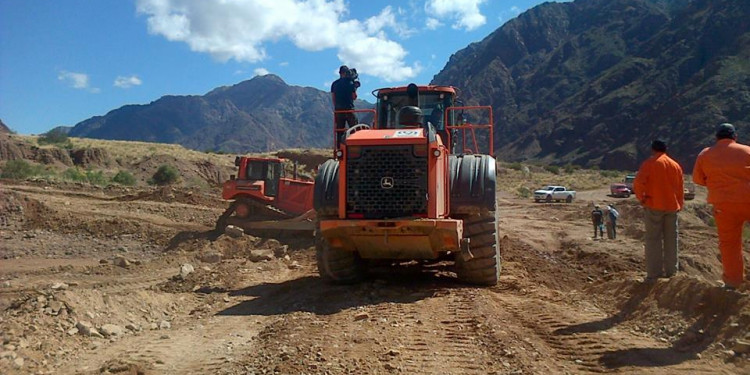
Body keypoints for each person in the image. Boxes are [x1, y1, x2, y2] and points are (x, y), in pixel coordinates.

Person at [692, 123, 750, 290]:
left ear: (716, 138)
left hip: (723, 204)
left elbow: (697, 179)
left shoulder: (705, 154)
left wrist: (714, 182)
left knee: (729, 243)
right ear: (735, 137)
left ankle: (733, 282)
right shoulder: (747, 151)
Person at [633, 139, 684, 281]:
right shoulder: (675, 165)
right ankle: (672, 272)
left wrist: (642, 199)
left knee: (653, 239)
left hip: (654, 205)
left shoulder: (650, 164)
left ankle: (653, 274)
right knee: (671, 239)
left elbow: (638, 183)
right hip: (672, 207)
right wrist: (679, 204)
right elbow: (680, 188)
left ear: (653, 150)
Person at [330, 65, 358, 146]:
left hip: (339, 111)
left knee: (339, 131)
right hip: (349, 109)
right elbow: (354, 96)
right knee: (354, 129)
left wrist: (337, 108)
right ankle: (354, 146)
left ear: (340, 73)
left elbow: (333, 98)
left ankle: (339, 148)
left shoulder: (334, 84)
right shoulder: (350, 83)